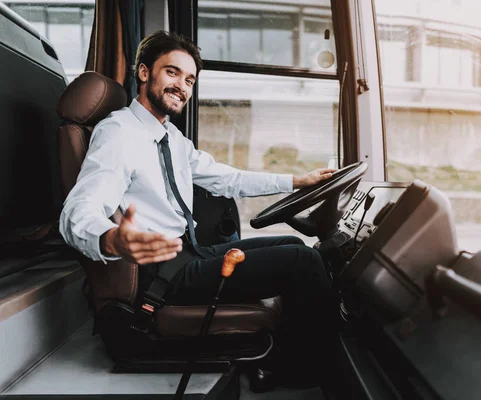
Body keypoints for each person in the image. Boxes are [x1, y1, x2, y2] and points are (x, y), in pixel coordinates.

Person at [59, 30, 337, 382]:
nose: (182, 86)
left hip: (190, 253)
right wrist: (109, 239)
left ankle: (293, 354)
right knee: (303, 260)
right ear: (144, 73)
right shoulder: (118, 133)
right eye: (172, 72)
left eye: (189, 79)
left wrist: (296, 181)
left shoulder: (171, 137)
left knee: (293, 245)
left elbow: (226, 178)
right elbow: (78, 208)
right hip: (162, 274)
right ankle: (312, 369)